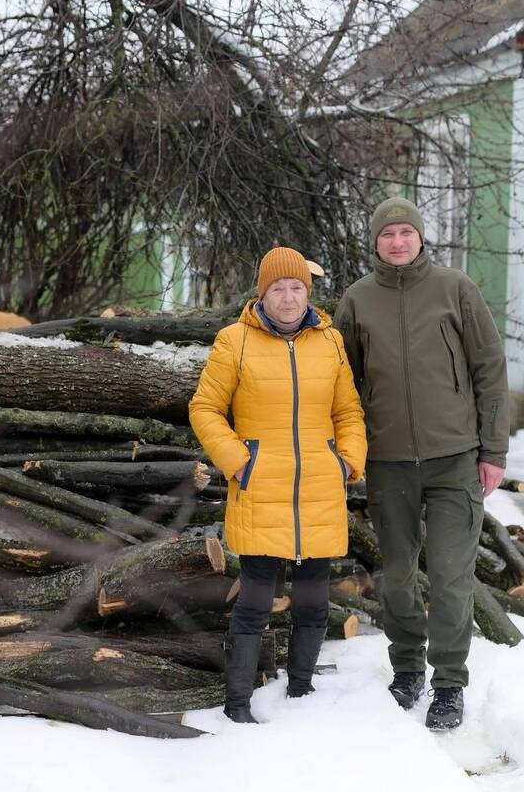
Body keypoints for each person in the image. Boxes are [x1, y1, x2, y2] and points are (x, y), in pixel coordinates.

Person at [335, 197, 509, 731]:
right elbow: (343, 383)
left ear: (420, 237)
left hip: (455, 459)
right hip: (389, 462)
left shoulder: (456, 289)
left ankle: (449, 683)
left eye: (406, 232)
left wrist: (493, 450)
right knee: (397, 576)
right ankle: (407, 666)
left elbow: (489, 367)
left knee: (453, 577)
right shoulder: (358, 301)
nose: (397, 242)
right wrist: (350, 450)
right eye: (388, 234)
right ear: (376, 241)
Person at [189, 246, 367, 724]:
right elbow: (204, 409)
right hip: (260, 489)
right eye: (277, 289)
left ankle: (302, 696)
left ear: (306, 293)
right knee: (254, 605)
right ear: (261, 294)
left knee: (313, 604)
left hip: (318, 490)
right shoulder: (234, 341)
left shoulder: (329, 343)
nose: (287, 299)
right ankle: (238, 708)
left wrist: (346, 461)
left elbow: (347, 411)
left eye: (295, 288)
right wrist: (239, 463)